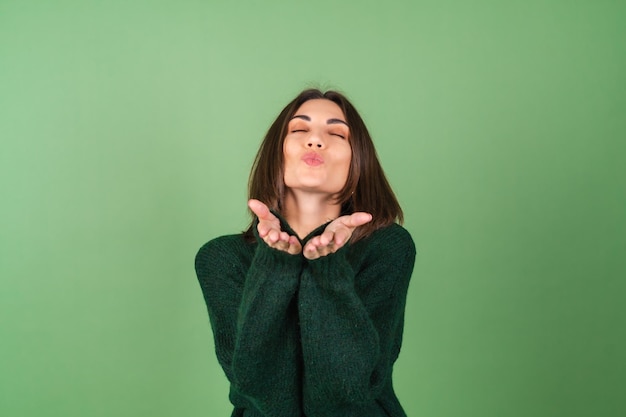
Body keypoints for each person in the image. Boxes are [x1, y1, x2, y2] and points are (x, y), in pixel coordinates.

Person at [195, 88, 416, 417]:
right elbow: (259, 390)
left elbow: (348, 389)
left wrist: (327, 269)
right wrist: (277, 266)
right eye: (299, 129)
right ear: (276, 156)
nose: (315, 140)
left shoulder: (387, 247)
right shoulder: (221, 258)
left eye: (336, 133)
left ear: (358, 166)